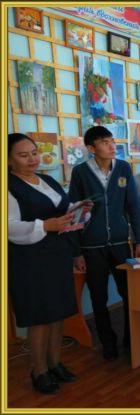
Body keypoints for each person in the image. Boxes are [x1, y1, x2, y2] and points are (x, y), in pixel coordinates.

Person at [7, 133, 91, 394]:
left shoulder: (48, 180)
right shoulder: (9, 186)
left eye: (34, 153)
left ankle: (55, 364)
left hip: (58, 255)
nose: (32, 159)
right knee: (40, 317)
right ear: (8, 160)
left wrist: (79, 210)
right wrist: (45, 225)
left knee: (58, 314)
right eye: (23, 155)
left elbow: (63, 211)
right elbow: (9, 226)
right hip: (30, 260)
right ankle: (39, 371)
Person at [69, 126, 140, 361]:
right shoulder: (80, 172)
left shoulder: (123, 168)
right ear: (91, 148)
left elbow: (133, 206)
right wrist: (76, 252)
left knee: (129, 293)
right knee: (98, 297)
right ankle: (108, 342)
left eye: (112, 141)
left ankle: (131, 339)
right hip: (91, 246)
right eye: (105, 142)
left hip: (120, 243)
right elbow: (73, 213)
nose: (112, 146)